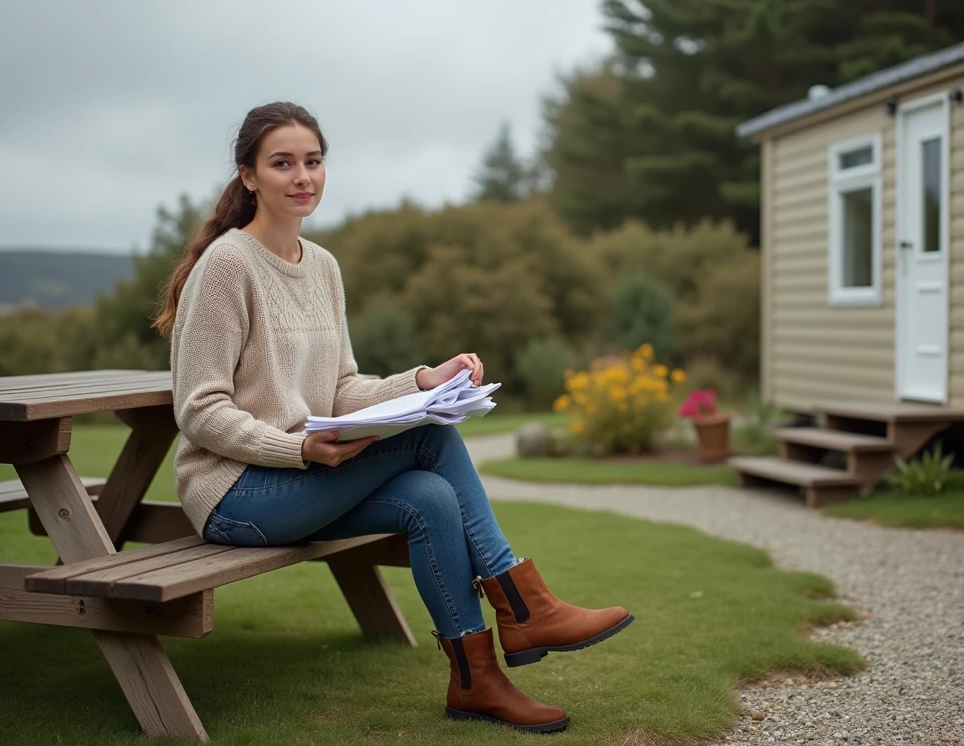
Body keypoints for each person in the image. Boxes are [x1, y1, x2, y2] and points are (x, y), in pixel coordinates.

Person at [153, 101, 633, 734]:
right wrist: (296, 450)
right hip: (236, 494)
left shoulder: (322, 267)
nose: (303, 176)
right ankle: (524, 605)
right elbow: (200, 411)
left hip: (305, 480)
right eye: (282, 163)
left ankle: (475, 682)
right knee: (429, 446)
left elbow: (343, 387)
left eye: (314, 161)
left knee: (430, 499)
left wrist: (422, 382)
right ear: (249, 176)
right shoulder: (226, 266)